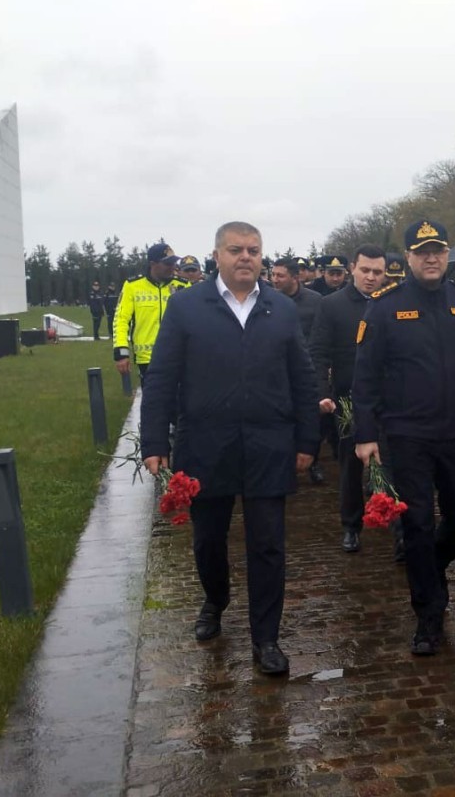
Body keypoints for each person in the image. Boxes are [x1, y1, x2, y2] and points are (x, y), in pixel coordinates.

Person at [140, 221, 321, 676]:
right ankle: (215, 599)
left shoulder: (280, 310)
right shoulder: (186, 307)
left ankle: (266, 638)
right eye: (236, 249)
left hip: (268, 444)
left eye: (254, 250)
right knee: (207, 540)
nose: (246, 257)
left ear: (263, 258)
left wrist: (306, 439)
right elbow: (161, 377)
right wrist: (156, 441)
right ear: (217, 255)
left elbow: (302, 378)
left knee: (267, 545)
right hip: (206, 444)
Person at [352, 219, 455, 656]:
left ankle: (431, 570)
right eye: (421, 251)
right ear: (406, 258)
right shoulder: (385, 306)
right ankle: (428, 612)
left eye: (438, 250)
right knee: (418, 523)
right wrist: (365, 434)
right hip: (406, 434)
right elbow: (364, 378)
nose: (430, 257)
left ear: (446, 254)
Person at [309, 245, 389, 553]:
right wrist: (322, 393)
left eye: (377, 272)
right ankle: (351, 525)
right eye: (365, 270)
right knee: (351, 465)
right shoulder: (332, 306)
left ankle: (395, 521)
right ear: (353, 268)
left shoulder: (391, 302)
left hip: (390, 397)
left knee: (392, 461)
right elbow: (318, 352)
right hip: (348, 398)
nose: (370, 277)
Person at [272, 257, 326, 485]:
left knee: (309, 416)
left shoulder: (316, 301)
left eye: (280, 275)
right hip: (277, 368)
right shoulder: (268, 300)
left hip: (307, 366)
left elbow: (321, 335)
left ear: (295, 277)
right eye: (272, 275)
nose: (274, 279)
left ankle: (313, 461)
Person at [112, 242, 188, 387]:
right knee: (154, 404)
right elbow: (121, 320)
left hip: (180, 356)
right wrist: (121, 353)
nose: (172, 267)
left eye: (173, 263)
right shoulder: (133, 286)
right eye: (167, 264)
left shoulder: (183, 286)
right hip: (148, 359)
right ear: (153, 264)